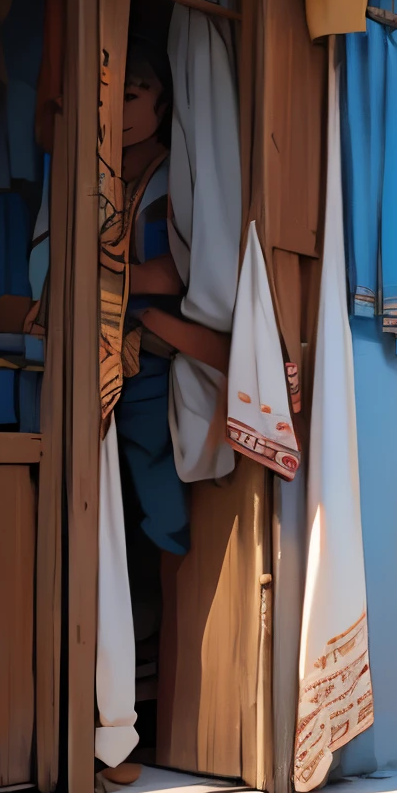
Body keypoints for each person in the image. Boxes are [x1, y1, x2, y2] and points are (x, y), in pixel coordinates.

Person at [113, 42, 229, 555]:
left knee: (157, 498)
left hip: (152, 362)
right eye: (112, 93)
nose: (118, 107)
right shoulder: (113, 177)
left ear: (164, 107)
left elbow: (173, 274)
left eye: (133, 94)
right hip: (121, 354)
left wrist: (110, 276)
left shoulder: (165, 181)